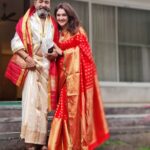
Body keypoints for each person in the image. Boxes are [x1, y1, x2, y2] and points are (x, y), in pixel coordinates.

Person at [48, 2, 110, 150]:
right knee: (63, 112)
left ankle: (72, 146)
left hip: (78, 82)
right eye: (58, 15)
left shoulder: (78, 31)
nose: (61, 18)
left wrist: (63, 52)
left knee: (74, 113)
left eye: (64, 15)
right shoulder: (56, 33)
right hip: (63, 80)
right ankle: (61, 145)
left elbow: (85, 56)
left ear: (69, 16)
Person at [9, 0, 62, 149]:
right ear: (34, 2)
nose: (43, 4)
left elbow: (59, 46)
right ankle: (30, 145)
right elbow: (15, 43)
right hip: (32, 67)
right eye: (40, 1)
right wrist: (27, 58)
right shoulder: (25, 21)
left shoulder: (54, 23)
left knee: (45, 107)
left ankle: (42, 142)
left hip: (47, 68)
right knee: (31, 106)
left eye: (46, 1)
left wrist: (55, 55)